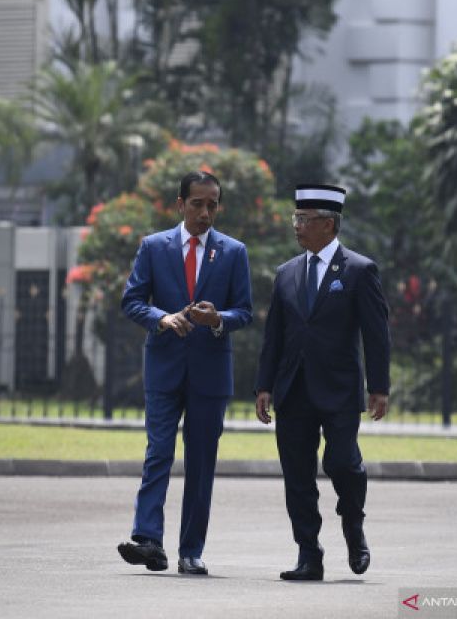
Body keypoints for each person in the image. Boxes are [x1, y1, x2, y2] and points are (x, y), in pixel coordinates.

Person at [116, 171, 253, 575]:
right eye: (197, 204)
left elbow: (244, 311)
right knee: (158, 452)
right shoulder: (154, 247)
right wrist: (162, 318)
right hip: (164, 368)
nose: (205, 213)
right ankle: (147, 539)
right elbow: (132, 301)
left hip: (210, 374)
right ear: (180, 204)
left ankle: (190, 551)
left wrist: (217, 319)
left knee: (201, 462)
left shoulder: (233, 252)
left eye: (212, 205)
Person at [254, 184, 390, 581]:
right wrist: (264, 385)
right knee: (297, 474)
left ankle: (353, 523)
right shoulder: (286, 273)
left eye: (304, 219)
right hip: (293, 388)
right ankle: (308, 554)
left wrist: (378, 387)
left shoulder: (359, 270)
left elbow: (376, 333)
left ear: (329, 224)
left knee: (341, 461)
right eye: (295, 218)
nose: (297, 226)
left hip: (340, 389)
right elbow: (273, 336)